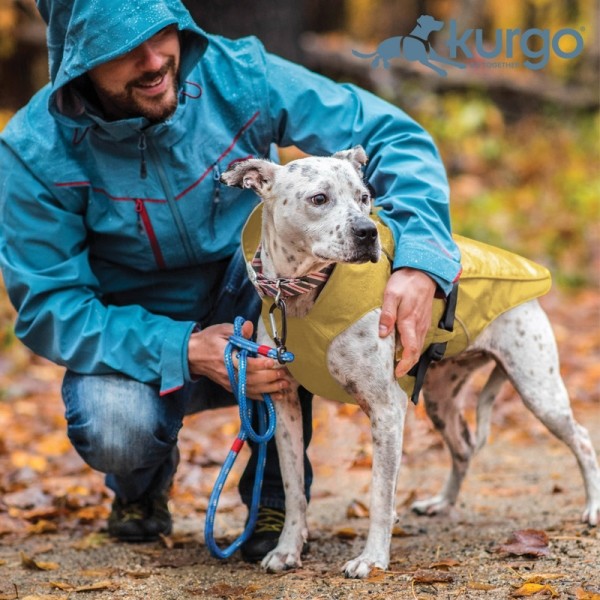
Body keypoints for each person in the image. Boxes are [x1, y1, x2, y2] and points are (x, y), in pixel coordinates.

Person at [0, 0, 461, 561]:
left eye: (161, 35)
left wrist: (420, 260)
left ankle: (274, 499)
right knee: (115, 426)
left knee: (298, 304)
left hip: (257, 289)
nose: (153, 61)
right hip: (136, 323)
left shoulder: (238, 75)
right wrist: (185, 348)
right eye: (122, 50)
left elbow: (393, 134)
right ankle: (141, 487)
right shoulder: (33, 151)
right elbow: (51, 303)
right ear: (78, 61)